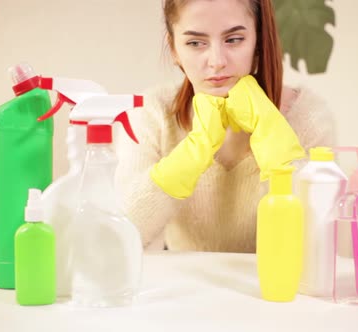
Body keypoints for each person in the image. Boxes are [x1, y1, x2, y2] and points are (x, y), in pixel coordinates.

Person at [115, 0, 334, 252]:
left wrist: (275, 143)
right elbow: (119, 235)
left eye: (233, 40)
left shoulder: (308, 117)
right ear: (174, 48)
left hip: (271, 287)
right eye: (195, 43)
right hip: (187, 287)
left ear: (259, 40)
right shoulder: (152, 113)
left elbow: (317, 244)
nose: (217, 61)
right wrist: (191, 153)